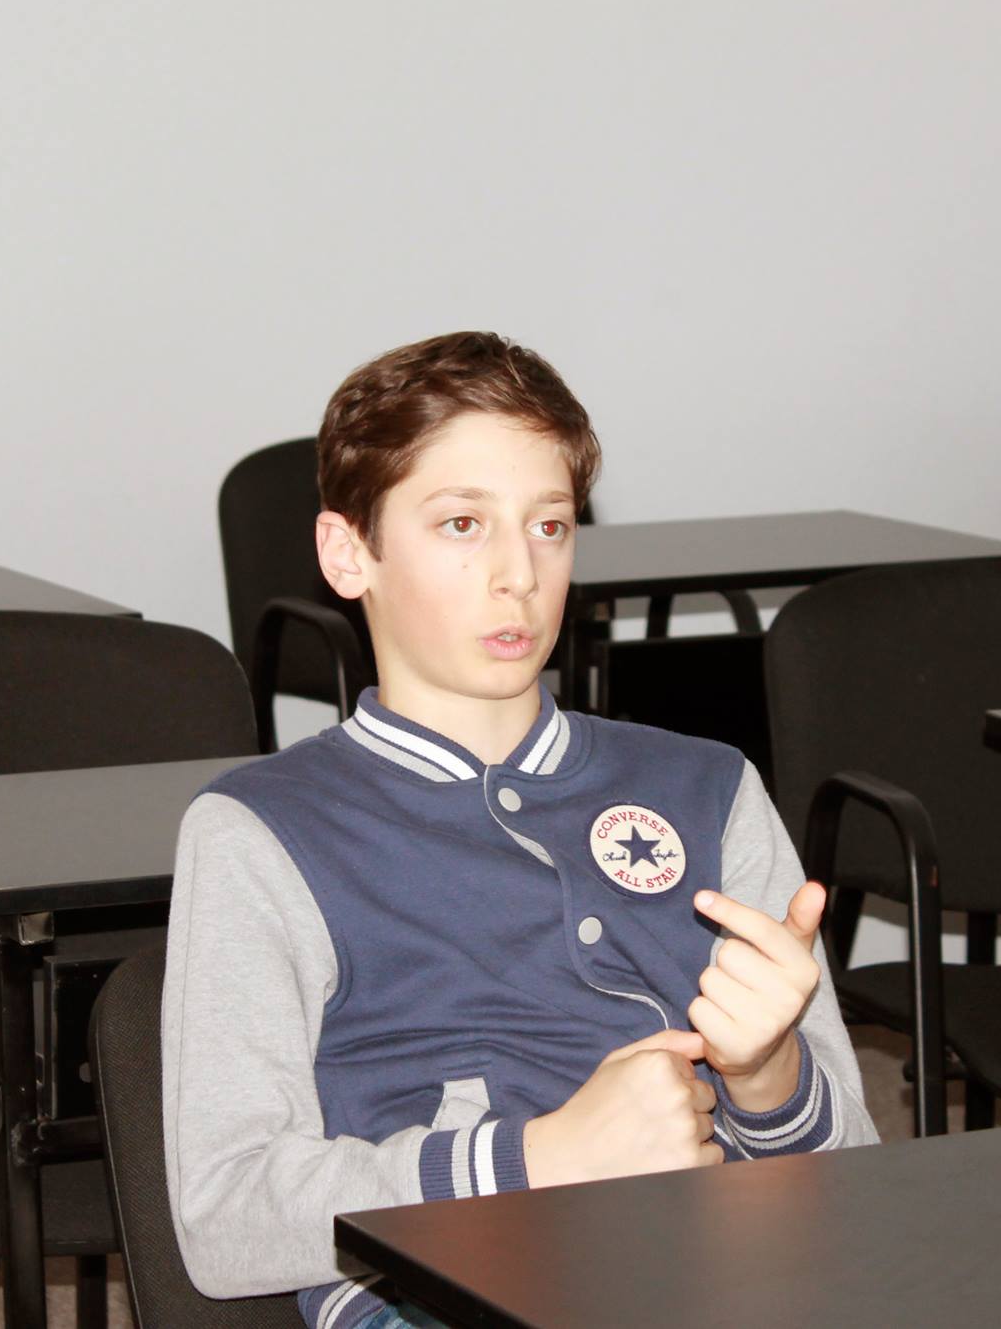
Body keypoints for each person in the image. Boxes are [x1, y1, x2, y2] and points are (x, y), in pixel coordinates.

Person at [162, 332, 877, 1327]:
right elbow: (225, 1219)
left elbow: (847, 1178)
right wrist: (539, 1158)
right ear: (347, 552)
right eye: (462, 524)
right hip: (435, 1291)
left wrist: (765, 1075)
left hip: (715, 1268)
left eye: (549, 526)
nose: (518, 574)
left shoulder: (709, 787)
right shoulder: (261, 831)